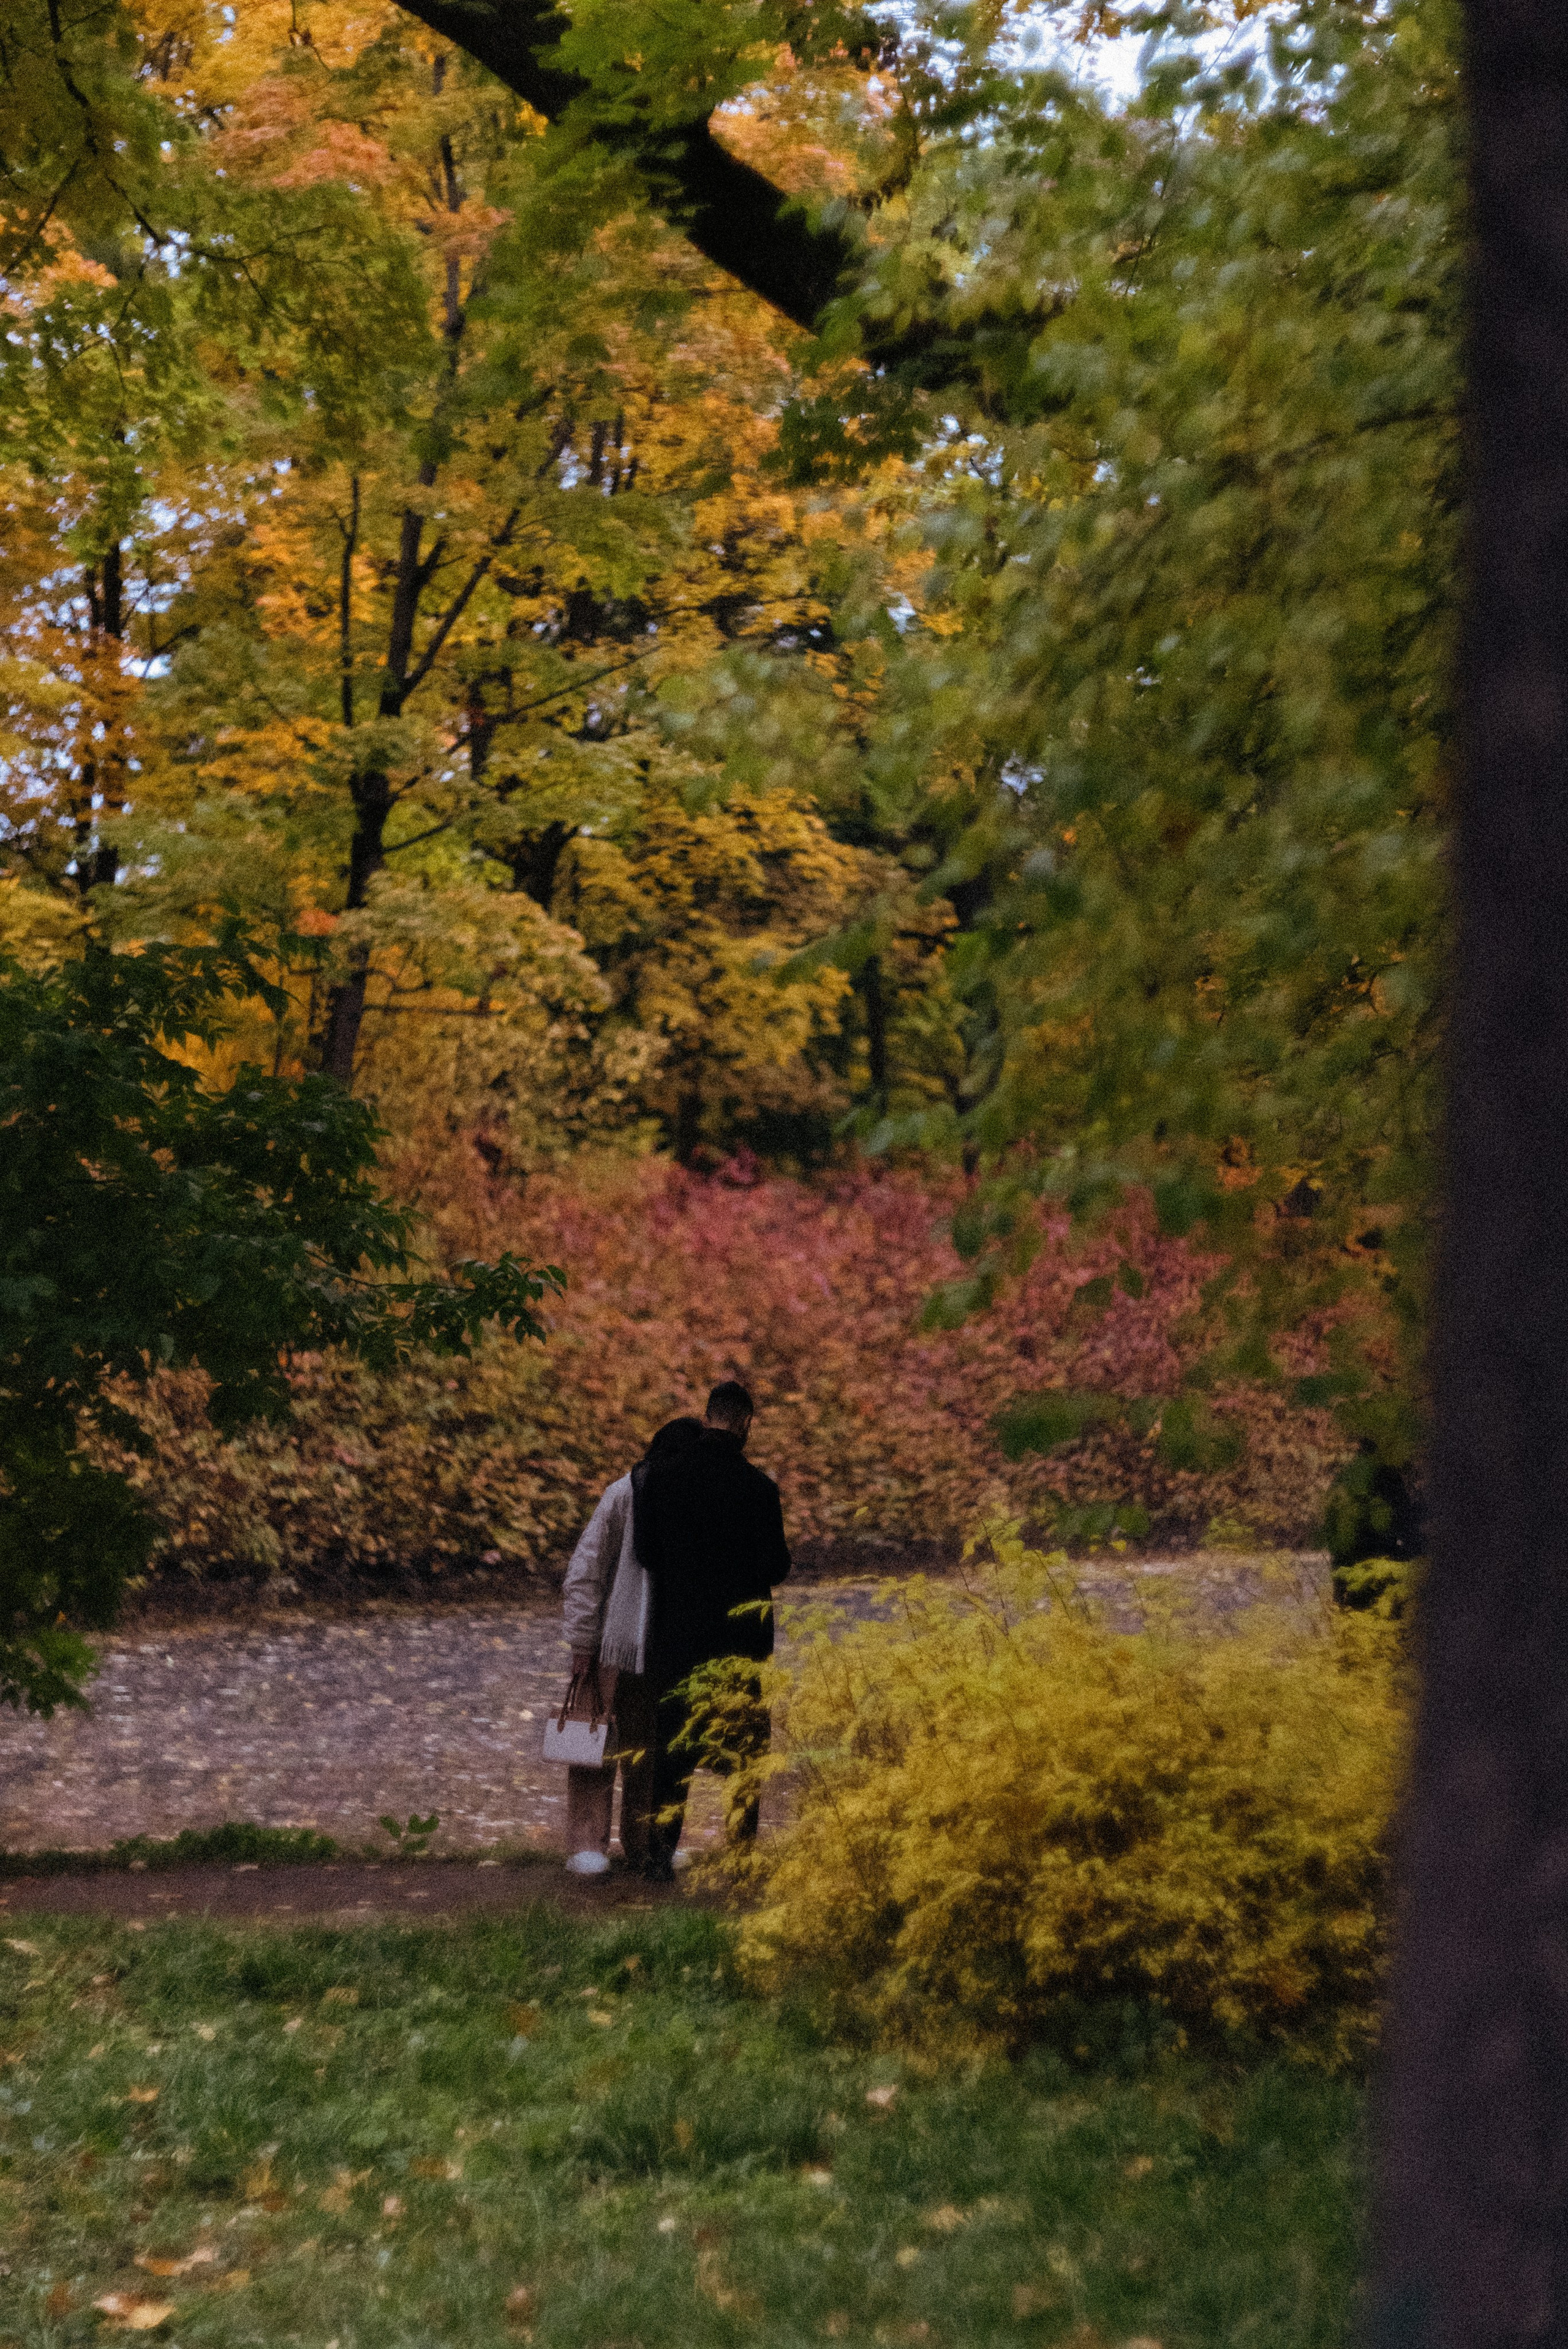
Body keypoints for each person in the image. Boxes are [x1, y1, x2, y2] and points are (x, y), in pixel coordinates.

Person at [631, 1380, 792, 1877]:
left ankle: (659, 1860)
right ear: (744, 1423)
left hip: (678, 1634)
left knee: (673, 1749)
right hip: (739, 1642)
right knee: (743, 1752)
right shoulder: (760, 1489)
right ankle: (741, 1857)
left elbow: (646, 1554)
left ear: (707, 1417)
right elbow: (776, 1566)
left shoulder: (662, 1479)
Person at [558, 1416, 703, 1877]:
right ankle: (586, 1844)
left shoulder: (689, 1500)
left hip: (659, 1648)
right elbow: (586, 1572)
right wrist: (583, 1641)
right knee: (593, 1743)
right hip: (610, 1644)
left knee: (649, 1749)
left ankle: (644, 1842)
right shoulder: (623, 1494)